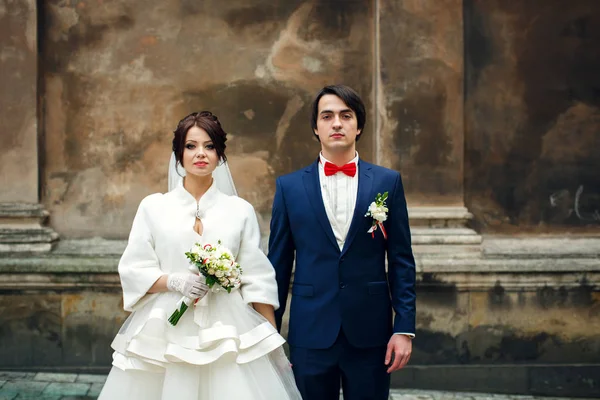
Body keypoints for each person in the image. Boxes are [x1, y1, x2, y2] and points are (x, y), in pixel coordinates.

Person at [98, 111, 301, 400]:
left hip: (228, 328)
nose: (200, 154)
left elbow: (257, 279)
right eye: (191, 146)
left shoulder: (239, 210)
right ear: (179, 154)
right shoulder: (153, 208)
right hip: (166, 326)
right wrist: (174, 282)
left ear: (220, 154)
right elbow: (133, 268)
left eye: (209, 146)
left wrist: (272, 344)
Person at [268, 85, 417, 400]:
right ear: (316, 127)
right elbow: (278, 267)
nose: (337, 123)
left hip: (370, 331)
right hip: (310, 332)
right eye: (327, 116)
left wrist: (403, 329)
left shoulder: (387, 183)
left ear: (358, 125)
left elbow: (402, 261)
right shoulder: (289, 187)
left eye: (345, 116)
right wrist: (270, 336)